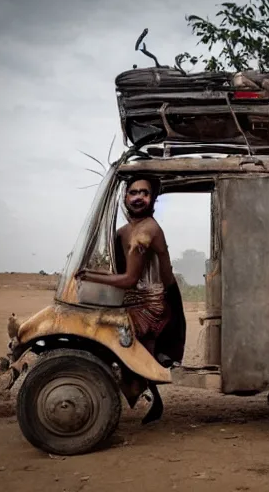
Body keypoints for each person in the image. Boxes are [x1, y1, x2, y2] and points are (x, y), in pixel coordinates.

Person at [76, 175, 186, 424]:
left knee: (106, 330)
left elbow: (129, 280)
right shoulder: (124, 231)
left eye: (144, 193)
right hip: (134, 298)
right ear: (125, 197)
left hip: (153, 304)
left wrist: (89, 275)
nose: (138, 197)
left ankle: (133, 383)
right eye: (133, 192)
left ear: (152, 198)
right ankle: (130, 382)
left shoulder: (146, 232)